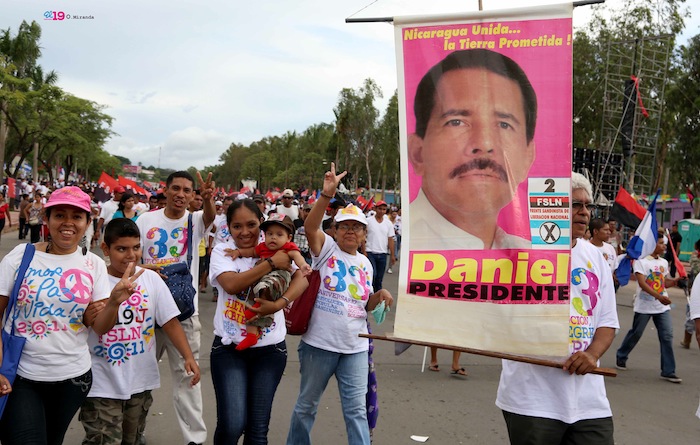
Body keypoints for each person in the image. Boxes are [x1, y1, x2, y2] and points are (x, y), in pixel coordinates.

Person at [0, 186, 142, 444]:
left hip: (73, 379)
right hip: (21, 375)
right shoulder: (21, 256)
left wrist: (113, 303)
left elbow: (100, 327)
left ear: (87, 222)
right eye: (60, 215)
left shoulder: (93, 264)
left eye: (77, 216)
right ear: (47, 219)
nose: (68, 223)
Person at [495, 172, 619, 444]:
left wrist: (592, 355)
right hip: (532, 399)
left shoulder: (595, 257)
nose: (584, 212)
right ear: (551, 206)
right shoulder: (519, 253)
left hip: (589, 402)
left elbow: (607, 322)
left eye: (587, 205)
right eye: (575, 204)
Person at [287, 163, 394, 445]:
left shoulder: (366, 263)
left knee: (356, 411)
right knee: (306, 407)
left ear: (364, 234)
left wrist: (381, 295)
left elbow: (365, 303)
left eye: (356, 227)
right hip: (319, 345)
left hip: (355, 347)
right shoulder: (326, 250)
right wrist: (326, 195)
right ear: (334, 231)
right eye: (344, 226)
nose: (350, 231)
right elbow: (310, 227)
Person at [80, 218, 201, 445]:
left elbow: (170, 321)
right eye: (121, 249)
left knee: (133, 439)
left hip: (140, 381)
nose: (131, 255)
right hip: (101, 382)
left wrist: (188, 356)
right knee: (104, 441)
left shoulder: (151, 279)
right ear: (105, 248)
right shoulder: (94, 280)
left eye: (136, 247)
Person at [408, 48, 537, 250]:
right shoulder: (405, 250)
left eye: (504, 125)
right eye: (457, 122)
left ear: (528, 158)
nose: (484, 144)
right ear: (417, 153)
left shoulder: (533, 260)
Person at [209, 199, 308, 444]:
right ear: (228, 227)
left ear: (261, 223)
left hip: (270, 350)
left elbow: (303, 279)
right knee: (232, 425)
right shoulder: (223, 251)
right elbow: (232, 285)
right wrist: (272, 263)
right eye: (237, 226)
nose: (245, 232)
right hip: (229, 348)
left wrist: (278, 304)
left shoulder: (279, 244)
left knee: (257, 430)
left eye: (251, 225)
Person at [135, 171, 215, 445]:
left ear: (193, 196)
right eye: (176, 188)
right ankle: (134, 432)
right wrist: (146, 268)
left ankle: (195, 440)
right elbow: (132, 257)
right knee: (140, 377)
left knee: (188, 377)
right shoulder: (145, 220)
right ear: (166, 190)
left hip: (184, 314)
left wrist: (208, 200)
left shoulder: (195, 221)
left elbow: (209, 218)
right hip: (146, 313)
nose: (181, 194)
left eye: (187, 191)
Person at [615, 229, 682, 383]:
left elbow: (663, 283)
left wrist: (675, 282)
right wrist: (659, 297)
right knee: (636, 333)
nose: (664, 246)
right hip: (644, 306)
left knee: (667, 336)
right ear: (652, 244)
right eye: (661, 243)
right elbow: (642, 283)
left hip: (662, 307)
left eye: (664, 243)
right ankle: (621, 355)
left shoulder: (663, 262)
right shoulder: (641, 261)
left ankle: (668, 371)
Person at [364, 200, 395, 291]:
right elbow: (363, 236)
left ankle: (377, 296)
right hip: (370, 252)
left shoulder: (388, 224)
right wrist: (364, 250)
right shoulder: (368, 221)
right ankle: (369, 294)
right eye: (380, 209)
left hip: (382, 254)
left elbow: (390, 239)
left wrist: (392, 255)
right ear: (375, 209)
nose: (381, 211)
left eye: (384, 209)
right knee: (372, 275)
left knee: (379, 278)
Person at [588, 218, 619, 291]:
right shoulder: (586, 248)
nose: (609, 232)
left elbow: (613, 269)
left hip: (607, 290)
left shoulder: (610, 248)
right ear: (595, 231)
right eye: (605, 230)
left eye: (609, 230)